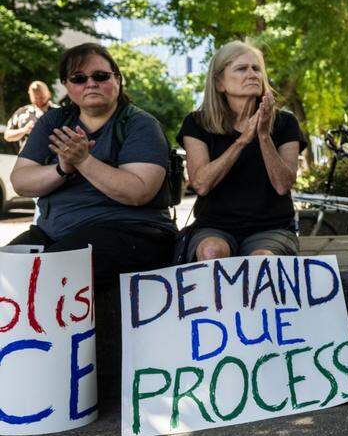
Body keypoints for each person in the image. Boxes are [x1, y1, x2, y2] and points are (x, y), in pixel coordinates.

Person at [8, 43, 175, 287]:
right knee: (7, 270)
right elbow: (21, 182)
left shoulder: (139, 124)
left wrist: (84, 161)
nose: (91, 83)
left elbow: (139, 191)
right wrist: (62, 168)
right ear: (66, 85)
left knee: (50, 273)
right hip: (52, 234)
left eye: (100, 76)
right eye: (78, 78)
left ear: (117, 80)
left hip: (129, 232)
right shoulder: (53, 120)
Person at [177, 42, 306, 261]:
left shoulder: (285, 123)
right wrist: (243, 140)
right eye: (241, 69)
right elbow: (201, 184)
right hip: (214, 227)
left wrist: (263, 136)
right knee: (211, 252)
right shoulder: (198, 123)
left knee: (261, 259)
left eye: (256, 69)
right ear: (220, 83)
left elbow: (283, 184)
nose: (252, 74)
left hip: (271, 229)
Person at [4, 80, 56, 150]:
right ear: (29, 95)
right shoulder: (22, 112)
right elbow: (7, 135)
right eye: (35, 98)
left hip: (53, 158)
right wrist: (24, 130)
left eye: (41, 97)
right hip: (26, 158)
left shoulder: (59, 112)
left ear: (49, 94)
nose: (38, 100)